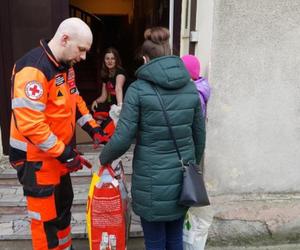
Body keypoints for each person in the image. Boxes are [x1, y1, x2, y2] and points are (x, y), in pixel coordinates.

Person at [99, 27, 206, 250]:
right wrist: (190, 164)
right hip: (181, 177)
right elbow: (199, 136)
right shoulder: (190, 88)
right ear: (169, 53)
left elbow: (122, 137)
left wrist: (104, 158)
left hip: (150, 180)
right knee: (176, 238)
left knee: (155, 242)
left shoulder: (138, 90)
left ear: (145, 59)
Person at [9, 17, 108, 250]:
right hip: (35, 161)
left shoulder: (66, 67)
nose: (83, 57)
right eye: (81, 49)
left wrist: (92, 127)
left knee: (63, 208)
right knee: (45, 221)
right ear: (65, 39)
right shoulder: (33, 69)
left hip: (56, 156)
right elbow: (32, 125)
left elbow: (74, 100)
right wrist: (65, 153)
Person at [91, 47, 126, 113]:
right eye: (107, 58)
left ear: (116, 60)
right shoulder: (105, 75)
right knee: (96, 111)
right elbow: (104, 96)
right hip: (110, 106)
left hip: (121, 105)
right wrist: (96, 101)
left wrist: (120, 107)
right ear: (104, 60)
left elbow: (118, 88)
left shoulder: (120, 73)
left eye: (113, 59)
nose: (110, 61)